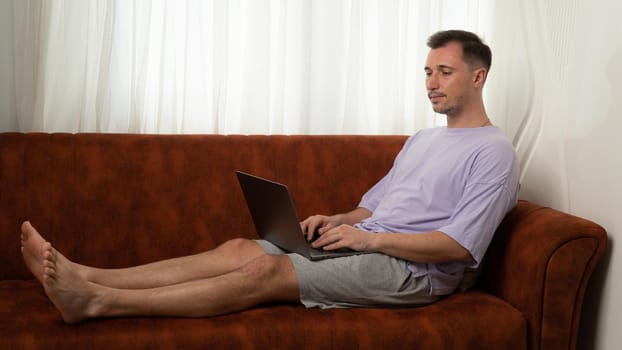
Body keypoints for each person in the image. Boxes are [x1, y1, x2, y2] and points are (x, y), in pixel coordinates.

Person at [20, 29, 520, 324]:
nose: (431, 84)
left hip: (414, 273)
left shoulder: (494, 152)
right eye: (427, 72)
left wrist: (370, 243)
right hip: (370, 243)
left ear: (478, 77)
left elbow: (459, 246)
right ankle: (88, 275)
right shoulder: (424, 139)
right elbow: (375, 207)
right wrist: (338, 219)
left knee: (263, 271)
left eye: (445, 72)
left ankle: (97, 303)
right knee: (240, 248)